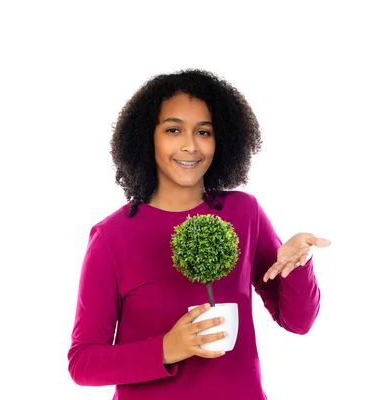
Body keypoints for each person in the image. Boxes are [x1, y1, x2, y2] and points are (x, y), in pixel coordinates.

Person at [67, 69, 331, 399]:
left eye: (204, 132)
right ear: (147, 138)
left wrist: (297, 265)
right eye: (173, 130)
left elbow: (298, 322)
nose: (190, 145)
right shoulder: (112, 237)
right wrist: (167, 348)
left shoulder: (243, 214)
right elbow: (83, 363)